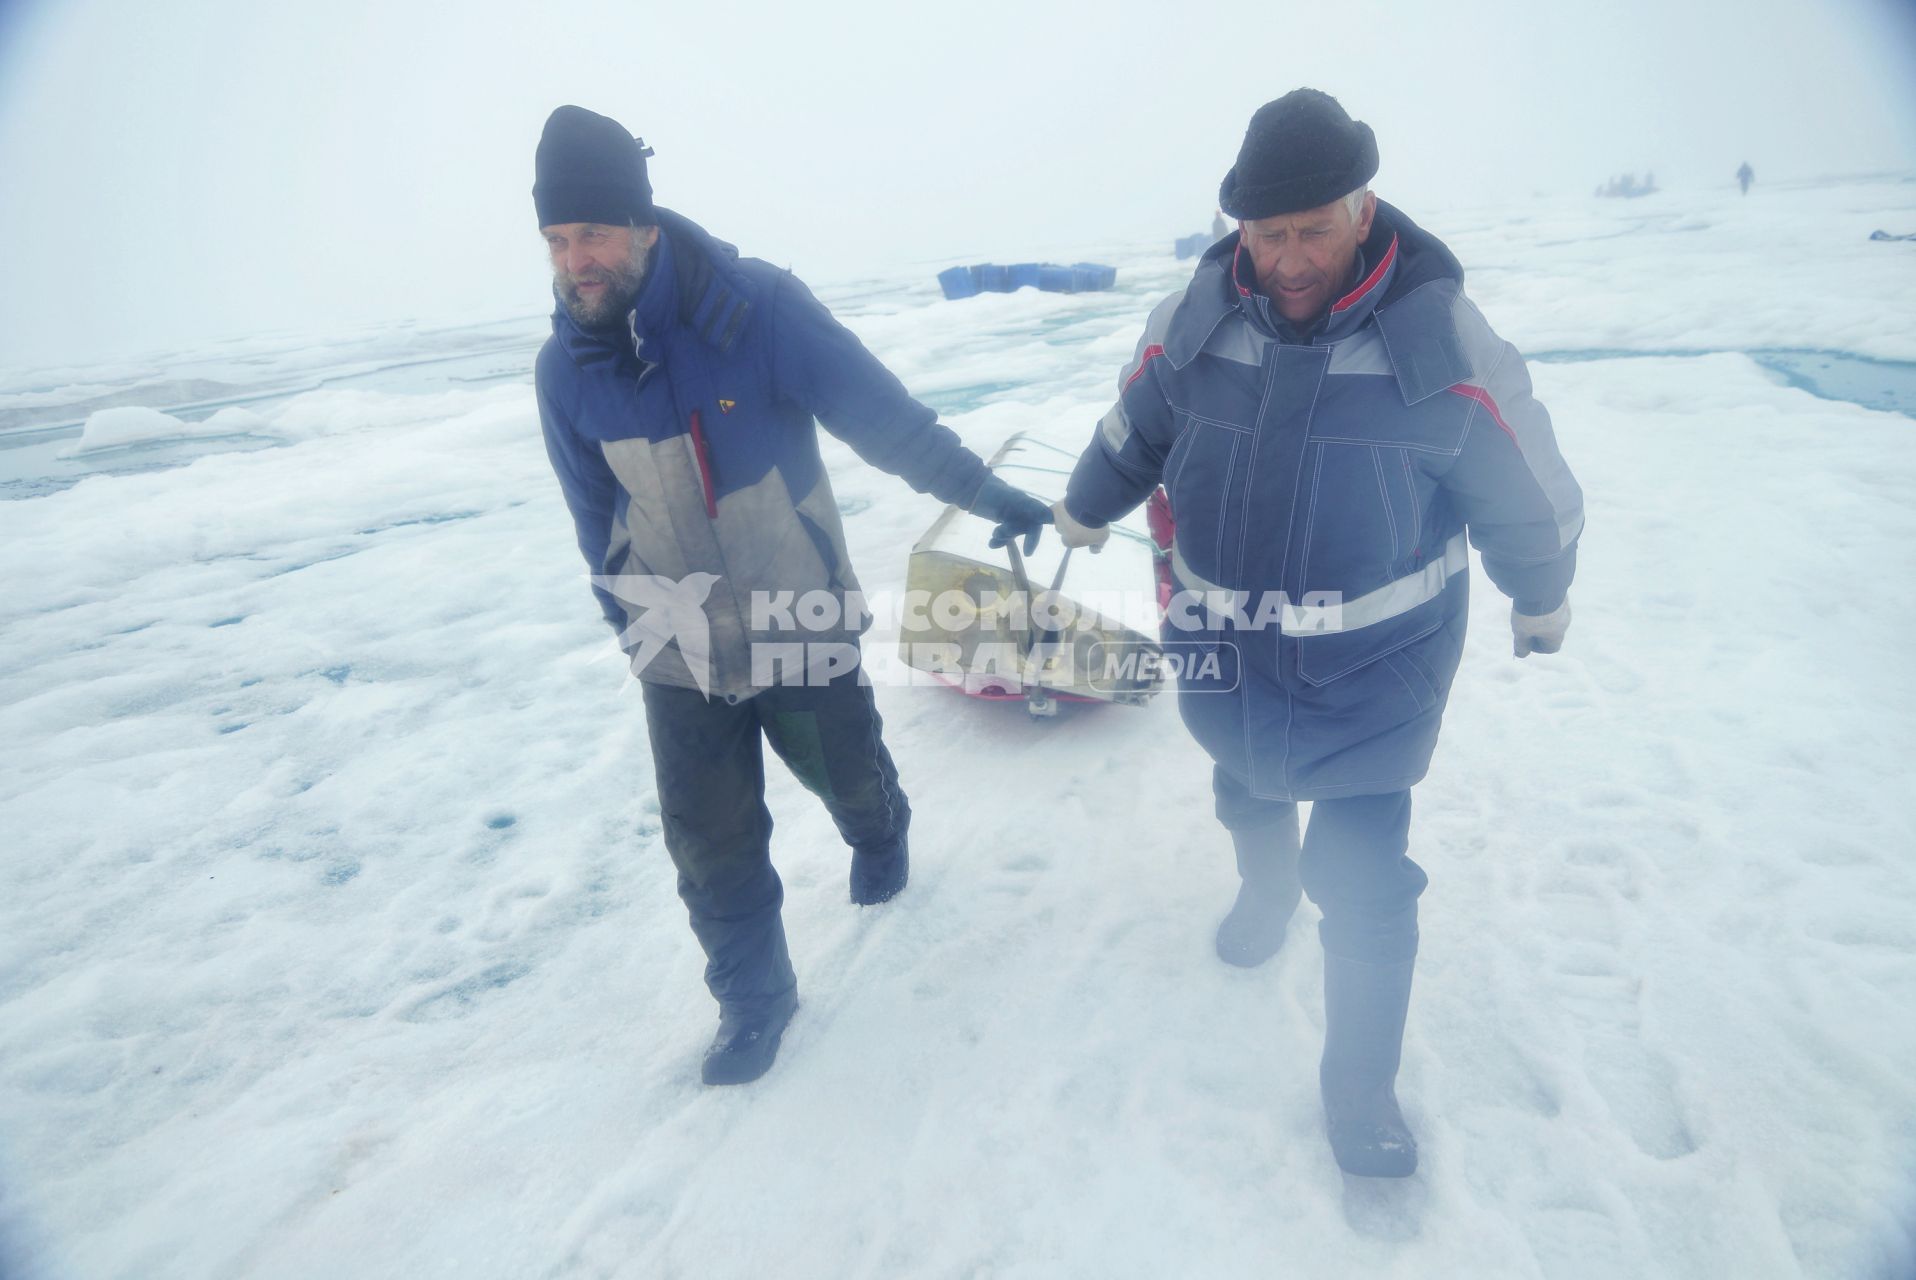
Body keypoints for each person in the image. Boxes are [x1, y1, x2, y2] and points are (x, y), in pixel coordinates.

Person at [1050, 89, 1583, 1177]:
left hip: (1370, 669)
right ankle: (1261, 884)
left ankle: (1359, 1089)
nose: (1289, 259)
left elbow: (1521, 481)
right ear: (1238, 226)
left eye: (1313, 230)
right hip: (1224, 647)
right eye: (1267, 233)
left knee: (1362, 875)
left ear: (1362, 205)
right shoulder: (1190, 320)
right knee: (1241, 782)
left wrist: (1539, 588)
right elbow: (1134, 426)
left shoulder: (1438, 342)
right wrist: (1083, 501)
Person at [530, 105, 1051, 1086]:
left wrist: (984, 493)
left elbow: (884, 419)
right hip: (678, 644)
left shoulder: (755, 309)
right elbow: (592, 516)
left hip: (796, 617)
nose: (575, 260)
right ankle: (752, 1002)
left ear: (642, 223)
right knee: (708, 838)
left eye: (592, 232)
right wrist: (635, 632)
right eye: (557, 240)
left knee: (843, 773)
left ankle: (880, 826)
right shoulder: (565, 369)